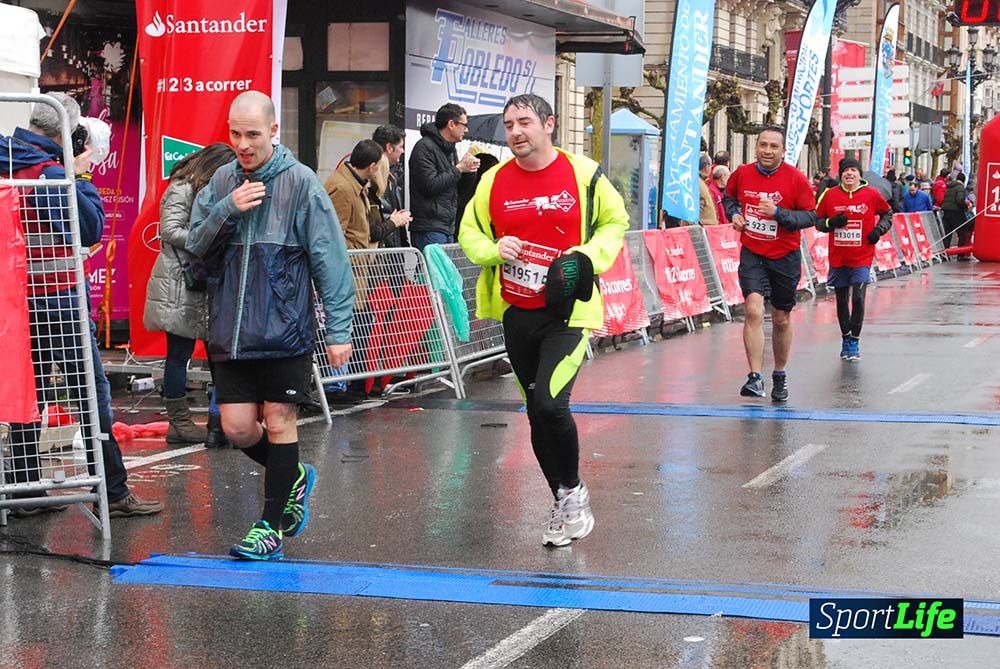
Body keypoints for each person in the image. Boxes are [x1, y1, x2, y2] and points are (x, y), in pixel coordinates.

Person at [186, 91, 355, 560]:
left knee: (280, 420)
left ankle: (270, 528)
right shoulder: (221, 180)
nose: (242, 144)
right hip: (231, 330)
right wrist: (227, 208)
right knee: (237, 428)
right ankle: (293, 476)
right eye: (235, 133)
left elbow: (331, 261)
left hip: (285, 327)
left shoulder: (301, 183)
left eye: (253, 134)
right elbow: (195, 245)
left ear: (274, 131)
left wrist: (339, 331)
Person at [459, 93, 628, 547]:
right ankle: (563, 499)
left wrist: (585, 257)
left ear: (549, 124)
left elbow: (615, 223)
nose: (516, 132)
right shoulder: (493, 180)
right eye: (509, 124)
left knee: (552, 405)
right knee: (536, 412)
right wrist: (494, 250)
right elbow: (469, 232)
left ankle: (573, 491)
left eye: (525, 122)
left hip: (567, 313)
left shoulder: (584, 174)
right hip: (517, 312)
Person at [1, 92, 162, 517]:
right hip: (57, 298)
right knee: (91, 394)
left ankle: (25, 490)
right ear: (67, 133)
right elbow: (88, 229)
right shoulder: (50, 173)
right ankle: (113, 490)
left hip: (14, 301)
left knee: (27, 394)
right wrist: (79, 175)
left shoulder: (6, 160)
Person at [144, 143, 236, 448]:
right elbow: (169, 230)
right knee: (178, 355)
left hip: (201, 279)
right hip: (180, 281)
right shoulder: (182, 188)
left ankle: (219, 420)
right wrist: (206, 238)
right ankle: (179, 422)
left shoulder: (204, 189)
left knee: (218, 353)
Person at [723, 126, 816, 402]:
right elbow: (729, 199)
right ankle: (754, 377)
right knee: (753, 310)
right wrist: (734, 214)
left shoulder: (796, 179)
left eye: (774, 146)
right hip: (753, 252)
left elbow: (810, 216)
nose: (767, 150)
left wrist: (778, 213)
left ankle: (779, 373)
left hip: (785, 256)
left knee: (781, 318)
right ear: (756, 147)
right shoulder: (742, 173)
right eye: (763, 145)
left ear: (783, 151)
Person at [815, 157, 892, 360]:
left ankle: (854, 341)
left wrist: (878, 230)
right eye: (845, 171)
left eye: (853, 170)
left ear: (859, 174)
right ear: (840, 175)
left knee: (858, 298)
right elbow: (818, 221)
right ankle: (845, 337)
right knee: (842, 300)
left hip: (862, 256)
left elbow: (887, 214)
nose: (849, 173)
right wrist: (832, 222)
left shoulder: (871, 194)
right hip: (839, 257)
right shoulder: (830, 195)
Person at [408, 103, 480, 250]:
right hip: (429, 227)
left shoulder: (451, 149)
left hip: (447, 226)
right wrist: (459, 168)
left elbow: (457, 189)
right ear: (451, 124)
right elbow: (430, 185)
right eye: (464, 125)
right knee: (434, 265)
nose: (466, 130)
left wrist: (469, 172)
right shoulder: (424, 147)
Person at [370, 124, 412, 249]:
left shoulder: (391, 177)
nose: (403, 151)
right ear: (389, 148)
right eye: (401, 147)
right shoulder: (371, 179)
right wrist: (394, 220)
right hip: (381, 250)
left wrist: (398, 218)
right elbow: (375, 219)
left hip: (391, 247)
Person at [941, 173, 972, 259]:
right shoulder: (960, 187)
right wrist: (965, 207)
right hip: (956, 212)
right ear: (963, 180)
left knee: (947, 234)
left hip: (946, 211)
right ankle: (961, 254)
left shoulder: (949, 187)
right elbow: (960, 200)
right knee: (962, 232)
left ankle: (944, 254)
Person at [697, 153, 718, 226]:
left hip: (703, 225)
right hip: (702, 226)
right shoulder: (698, 183)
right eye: (710, 165)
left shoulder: (700, 182)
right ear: (707, 166)